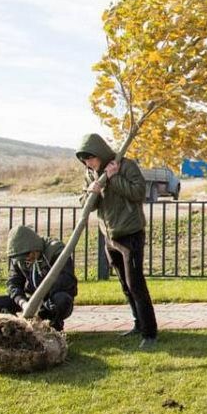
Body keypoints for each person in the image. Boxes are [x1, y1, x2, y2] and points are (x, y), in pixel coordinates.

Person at [76, 133, 158, 349]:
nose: (88, 163)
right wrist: (91, 191)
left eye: (91, 158)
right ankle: (138, 324)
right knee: (124, 284)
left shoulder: (125, 166)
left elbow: (139, 193)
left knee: (136, 283)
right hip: (110, 236)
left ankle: (150, 333)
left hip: (130, 233)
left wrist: (113, 178)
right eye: (85, 160)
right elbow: (87, 205)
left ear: (100, 154)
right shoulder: (90, 174)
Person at [0, 224, 77, 332]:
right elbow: (13, 284)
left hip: (51, 299)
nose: (27, 260)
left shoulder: (55, 251)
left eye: (28, 256)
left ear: (34, 248)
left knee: (62, 300)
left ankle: (53, 324)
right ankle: (15, 329)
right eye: (22, 258)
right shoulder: (19, 258)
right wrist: (23, 303)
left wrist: (42, 304)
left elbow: (67, 281)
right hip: (30, 301)